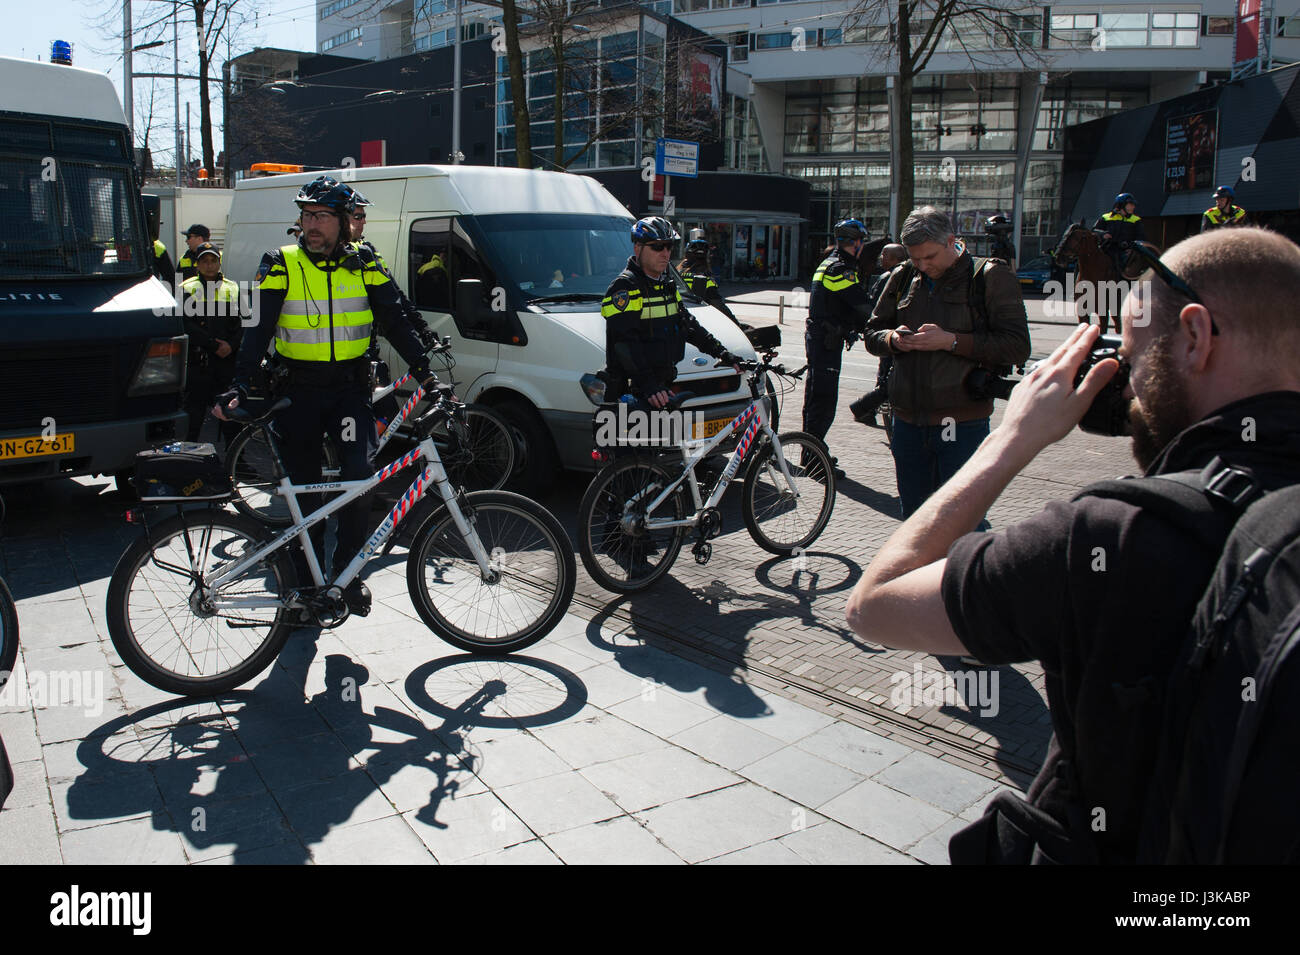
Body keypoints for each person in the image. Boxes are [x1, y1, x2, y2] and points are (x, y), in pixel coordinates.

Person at [845, 226, 1300, 864]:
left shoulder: (1110, 536)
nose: (1130, 391)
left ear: (1195, 337)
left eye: (1138, 358)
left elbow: (874, 607)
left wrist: (1014, 439)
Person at [213, 176, 438, 615]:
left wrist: (427, 374)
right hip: (297, 391)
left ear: (342, 222)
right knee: (303, 488)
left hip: (349, 392)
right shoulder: (282, 262)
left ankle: (346, 578)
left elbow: (394, 320)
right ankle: (304, 579)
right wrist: (241, 383)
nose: (311, 224)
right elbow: (257, 331)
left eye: (321, 216)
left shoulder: (364, 262)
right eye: (306, 215)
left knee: (358, 479)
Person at [863, 206, 1030, 520]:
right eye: (916, 258)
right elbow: (871, 332)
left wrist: (951, 341)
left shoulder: (989, 277)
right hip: (907, 425)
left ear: (951, 241)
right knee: (915, 523)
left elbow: (1018, 347)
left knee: (961, 523)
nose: (924, 266)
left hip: (962, 426)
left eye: (930, 257)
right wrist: (892, 340)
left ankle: (963, 570)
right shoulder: (903, 275)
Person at [601, 216, 738, 410]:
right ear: (638, 248)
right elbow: (624, 343)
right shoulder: (624, 288)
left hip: (660, 389)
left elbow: (688, 325)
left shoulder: (666, 285)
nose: (665, 253)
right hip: (633, 392)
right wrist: (649, 386)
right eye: (657, 247)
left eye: (668, 246)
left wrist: (721, 352)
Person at [802, 219, 874, 480]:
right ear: (855, 242)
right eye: (861, 242)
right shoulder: (840, 269)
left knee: (814, 400)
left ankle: (811, 454)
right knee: (823, 403)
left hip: (821, 340)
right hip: (826, 343)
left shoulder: (828, 263)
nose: (862, 246)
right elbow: (863, 307)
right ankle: (814, 460)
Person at [179, 243, 244, 445]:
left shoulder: (232, 287)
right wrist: (213, 345)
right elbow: (185, 324)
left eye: (213, 260)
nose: (209, 265)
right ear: (197, 264)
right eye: (204, 261)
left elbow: (244, 323)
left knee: (230, 412)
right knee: (194, 414)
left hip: (226, 361)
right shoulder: (186, 288)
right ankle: (188, 456)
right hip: (200, 361)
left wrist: (231, 346)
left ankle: (238, 460)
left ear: (219, 262)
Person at [849, 242, 909, 427]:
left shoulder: (896, 276)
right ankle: (862, 407)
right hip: (889, 337)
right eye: (882, 255)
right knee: (888, 381)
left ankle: (867, 410)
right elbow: (874, 308)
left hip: (892, 336)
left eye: (886, 256)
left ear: (898, 259)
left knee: (886, 378)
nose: (881, 258)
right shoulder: (887, 277)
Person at [678, 238, 741, 328]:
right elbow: (720, 307)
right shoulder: (705, 280)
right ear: (706, 257)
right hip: (697, 324)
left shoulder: (676, 274)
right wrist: (737, 325)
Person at [1092, 193, 1144, 278]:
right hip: (1107, 250)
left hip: (1126, 253)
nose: (1133, 207)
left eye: (1133, 205)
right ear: (1121, 205)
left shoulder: (1136, 220)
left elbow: (1141, 238)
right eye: (1130, 205)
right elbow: (1094, 231)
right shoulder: (1105, 217)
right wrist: (1102, 235)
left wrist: (1133, 250)